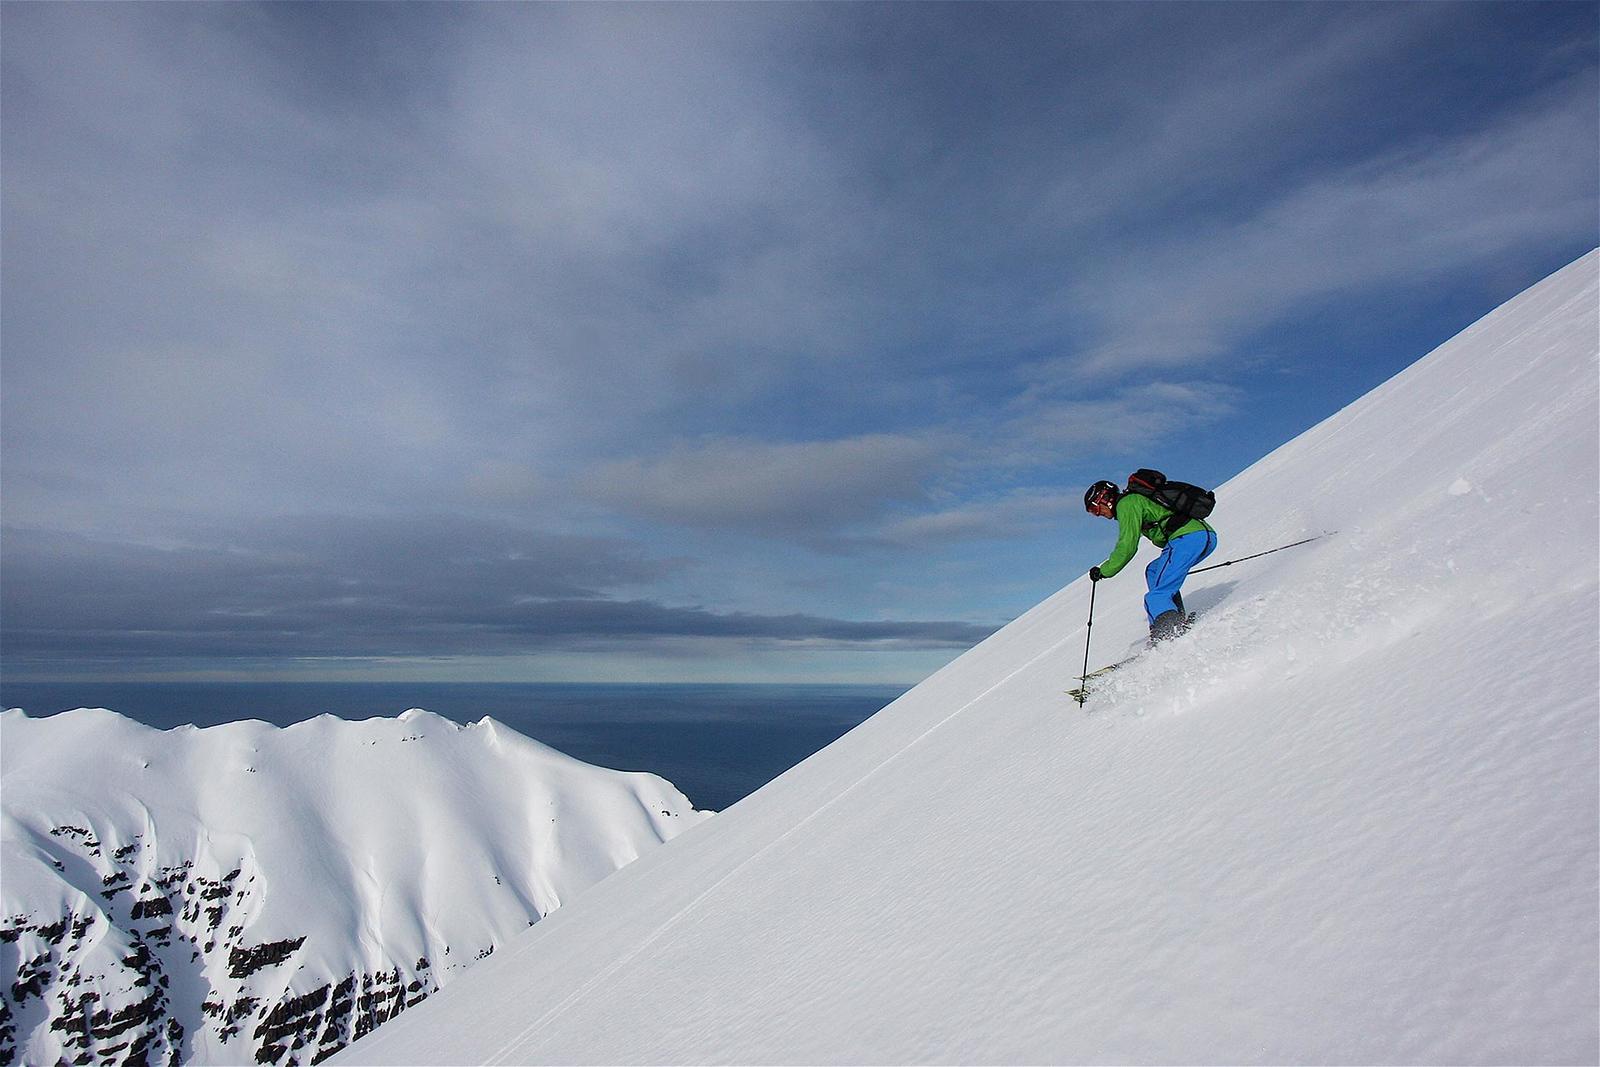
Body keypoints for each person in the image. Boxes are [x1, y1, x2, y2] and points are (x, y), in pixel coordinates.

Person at [1084, 479, 1217, 643]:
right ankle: (1174, 621)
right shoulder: (1135, 500)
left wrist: (1104, 570)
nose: (1098, 514)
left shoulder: (1126, 503)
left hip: (1186, 539)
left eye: (1095, 508)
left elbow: (1127, 546)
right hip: (1203, 536)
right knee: (1153, 570)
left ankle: (1169, 635)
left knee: (1155, 597)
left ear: (1105, 499)